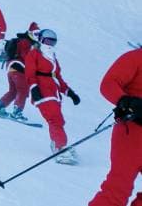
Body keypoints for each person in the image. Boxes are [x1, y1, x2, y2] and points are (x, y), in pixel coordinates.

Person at [87, 47, 142, 206]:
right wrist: (126, 101)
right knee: (119, 188)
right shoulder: (136, 57)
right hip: (132, 131)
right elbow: (109, 83)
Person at [25, 29, 81, 164]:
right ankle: (60, 147)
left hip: (54, 92)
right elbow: (29, 74)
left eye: (52, 41)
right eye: (47, 41)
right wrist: (34, 88)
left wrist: (70, 93)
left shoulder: (52, 56)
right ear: (40, 40)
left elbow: (57, 77)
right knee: (55, 119)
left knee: (58, 120)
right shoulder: (34, 54)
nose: (49, 44)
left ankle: (57, 144)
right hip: (42, 91)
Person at [0, 24, 39, 122]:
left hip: (11, 68)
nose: (37, 36)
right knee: (23, 90)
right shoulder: (26, 42)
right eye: (35, 33)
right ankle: (17, 112)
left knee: (13, 91)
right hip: (18, 68)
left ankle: (0, 106)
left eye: (38, 34)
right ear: (30, 33)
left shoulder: (26, 41)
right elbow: (26, 57)